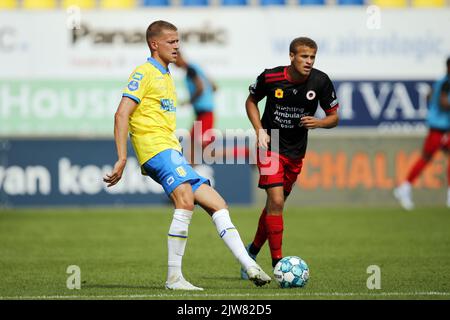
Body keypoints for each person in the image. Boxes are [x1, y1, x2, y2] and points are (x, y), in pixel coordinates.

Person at [103, 20, 271, 290]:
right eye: (171, 42)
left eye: (178, 41)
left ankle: (250, 265)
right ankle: (174, 278)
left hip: (172, 150)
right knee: (185, 199)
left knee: (218, 204)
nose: (177, 47)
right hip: (156, 149)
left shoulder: (167, 75)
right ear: (154, 44)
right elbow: (122, 113)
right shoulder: (144, 72)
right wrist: (122, 157)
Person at [240, 37, 339, 279]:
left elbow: (334, 116)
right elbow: (251, 101)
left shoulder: (321, 81)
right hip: (270, 144)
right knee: (276, 201)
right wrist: (259, 130)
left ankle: (250, 253)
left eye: (312, 57)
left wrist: (320, 123)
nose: (309, 61)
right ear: (291, 56)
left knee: (274, 206)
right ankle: (279, 265)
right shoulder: (271, 77)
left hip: (296, 152)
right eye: (304, 56)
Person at [394, 57, 450, 210]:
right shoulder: (446, 83)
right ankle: (405, 187)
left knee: (426, 158)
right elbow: (444, 103)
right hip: (440, 128)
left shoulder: (441, 81)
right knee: (426, 158)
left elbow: (429, 96)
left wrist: (434, 109)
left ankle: (404, 187)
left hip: (439, 127)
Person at [175, 51, 218, 166]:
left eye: (174, 61)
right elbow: (214, 86)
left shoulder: (190, 70)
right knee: (192, 143)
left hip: (205, 113)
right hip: (202, 114)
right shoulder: (196, 67)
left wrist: (189, 101)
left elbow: (200, 87)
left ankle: (245, 153)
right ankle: (190, 171)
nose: (174, 65)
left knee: (203, 148)